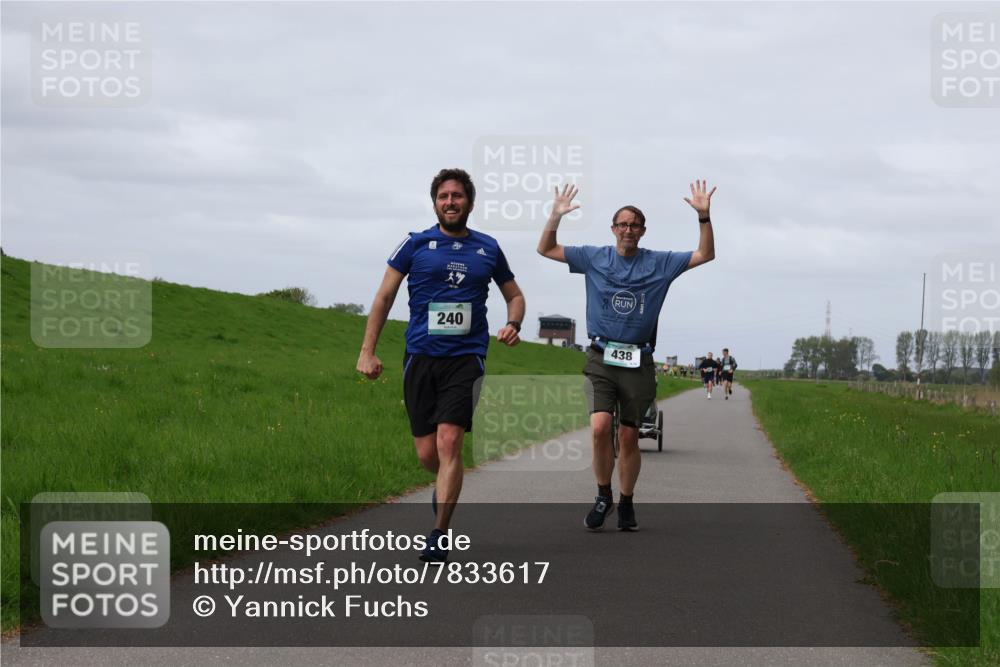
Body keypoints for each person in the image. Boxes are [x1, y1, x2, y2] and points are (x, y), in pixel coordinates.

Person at [357, 168, 525, 562]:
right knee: (428, 455)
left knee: (450, 442)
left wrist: (513, 323)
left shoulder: (488, 248)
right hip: (420, 356)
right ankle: (445, 486)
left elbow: (515, 296)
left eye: (457, 196)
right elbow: (384, 297)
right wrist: (367, 351)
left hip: (466, 358)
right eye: (443, 196)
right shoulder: (414, 243)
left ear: (470, 202)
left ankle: (439, 533)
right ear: (435, 203)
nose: (450, 202)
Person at [537, 181, 717, 531]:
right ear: (613, 229)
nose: (628, 230)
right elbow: (546, 249)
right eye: (623, 224)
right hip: (601, 356)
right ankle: (603, 494)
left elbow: (705, 254)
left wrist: (704, 217)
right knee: (600, 427)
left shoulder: (660, 263)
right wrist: (555, 216)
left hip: (638, 360)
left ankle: (627, 500)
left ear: (643, 231)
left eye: (635, 225)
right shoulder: (594, 257)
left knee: (629, 437)